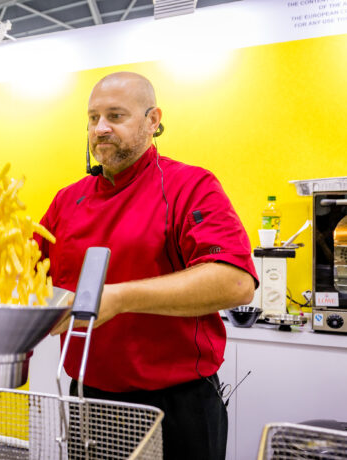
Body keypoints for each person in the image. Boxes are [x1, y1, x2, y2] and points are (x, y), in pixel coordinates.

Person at [34, 72, 257, 460]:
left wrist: (119, 297)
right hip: (89, 402)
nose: (100, 128)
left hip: (176, 406)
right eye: (93, 118)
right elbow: (24, 278)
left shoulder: (190, 185)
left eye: (115, 116)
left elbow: (235, 281)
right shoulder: (67, 201)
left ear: (153, 121)